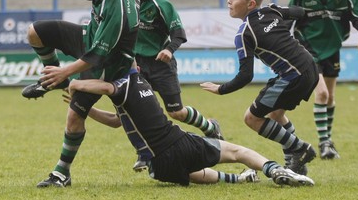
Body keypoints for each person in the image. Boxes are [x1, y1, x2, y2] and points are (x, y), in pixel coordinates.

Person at [60, 65, 315, 187]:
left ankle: (238, 179)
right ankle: (276, 170)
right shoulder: (134, 83)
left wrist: (84, 103)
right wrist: (75, 85)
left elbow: (116, 120)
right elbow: (107, 92)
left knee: (192, 172)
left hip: (158, 167)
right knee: (239, 152)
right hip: (178, 144)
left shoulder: (125, 87)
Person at [20, 0, 141, 187]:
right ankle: (52, 81)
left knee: (74, 117)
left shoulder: (117, 11)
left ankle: (61, 173)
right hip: (90, 37)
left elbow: (96, 56)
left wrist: (65, 71)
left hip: (107, 64)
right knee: (35, 32)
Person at [200, 0, 318, 175]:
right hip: (310, 67)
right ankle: (295, 163)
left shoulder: (245, 33)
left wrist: (221, 89)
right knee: (276, 114)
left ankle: (300, 148)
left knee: (251, 118)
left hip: (293, 75)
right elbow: (299, 12)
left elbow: (246, 75)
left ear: (250, 3)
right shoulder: (272, 10)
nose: (229, 1)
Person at [130, 0, 224, 170]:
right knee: (143, 110)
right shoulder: (128, 3)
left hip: (162, 65)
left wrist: (168, 50)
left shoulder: (162, 4)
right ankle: (144, 154)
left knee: (176, 112)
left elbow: (179, 34)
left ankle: (210, 126)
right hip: (138, 66)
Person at [288, 0, 358, 160]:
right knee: (321, 94)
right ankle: (324, 143)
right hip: (307, 49)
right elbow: (288, 18)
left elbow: (357, 17)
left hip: (332, 49)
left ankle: (328, 139)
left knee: (330, 97)